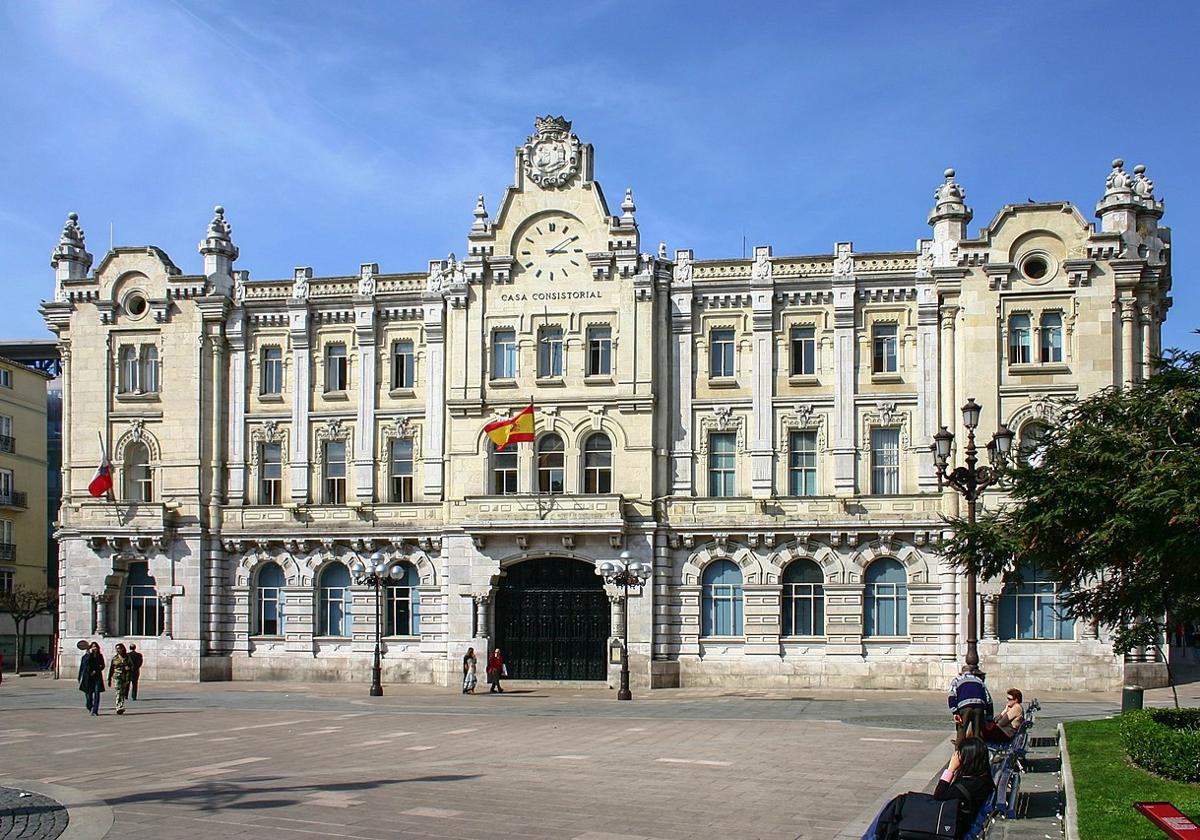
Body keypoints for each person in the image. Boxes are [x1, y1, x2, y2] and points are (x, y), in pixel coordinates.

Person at [872, 737, 995, 840]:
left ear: (968, 759)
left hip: (951, 826)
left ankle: (873, 837)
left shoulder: (969, 784)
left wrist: (951, 769)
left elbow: (939, 796)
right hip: (956, 818)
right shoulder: (982, 779)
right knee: (897, 805)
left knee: (893, 809)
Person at [948, 665, 993, 745]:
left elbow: (952, 695)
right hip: (979, 707)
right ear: (972, 673)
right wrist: (989, 717)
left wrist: (955, 712)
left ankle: (959, 753)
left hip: (964, 707)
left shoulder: (957, 680)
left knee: (961, 732)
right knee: (977, 733)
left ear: (962, 672)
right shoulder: (979, 680)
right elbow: (988, 699)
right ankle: (977, 753)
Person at [77, 641, 105, 715]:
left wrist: (96, 670)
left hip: (97, 677)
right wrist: (79, 677)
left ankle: (95, 710)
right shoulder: (86, 656)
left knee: (97, 693)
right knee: (88, 695)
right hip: (88, 677)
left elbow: (102, 665)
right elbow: (83, 666)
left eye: (95, 646)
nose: (94, 648)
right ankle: (89, 706)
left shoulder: (100, 656)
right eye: (93, 646)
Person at [107, 643, 134, 715]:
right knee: (118, 691)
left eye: (119, 648)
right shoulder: (115, 658)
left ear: (122, 649)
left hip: (125, 677)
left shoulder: (127, 657)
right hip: (117, 676)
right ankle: (119, 706)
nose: (117, 650)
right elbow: (111, 668)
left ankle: (121, 705)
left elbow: (132, 666)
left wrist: (128, 669)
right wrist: (109, 679)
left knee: (123, 692)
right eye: (116, 649)